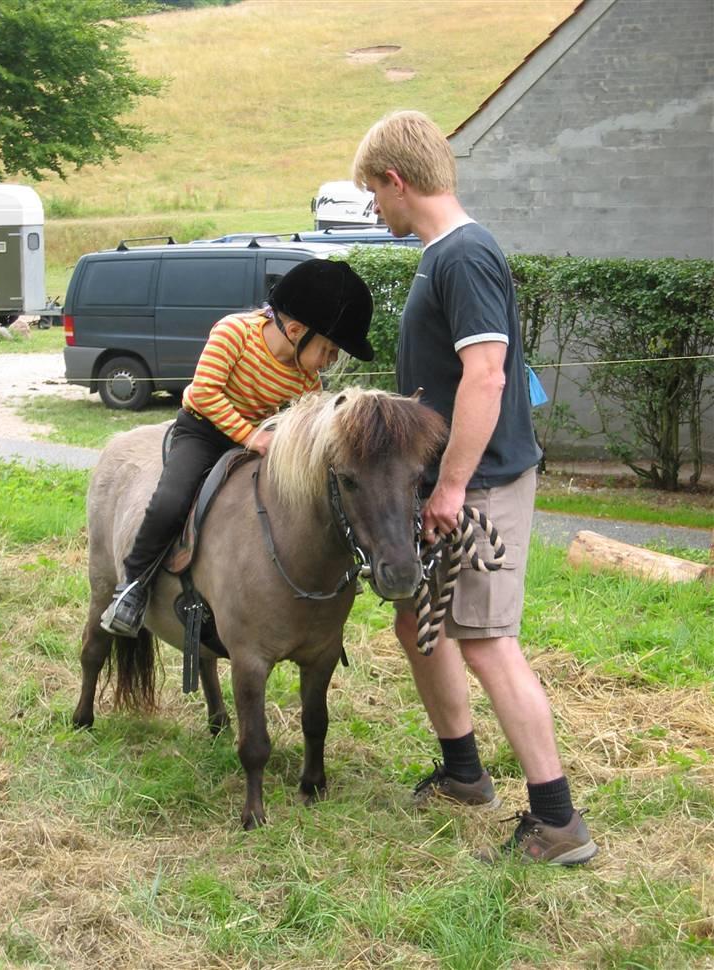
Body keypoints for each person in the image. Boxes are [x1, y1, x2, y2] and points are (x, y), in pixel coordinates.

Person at [352, 110, 598, 865]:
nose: (372, 208)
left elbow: (487, 376)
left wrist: (452, 487)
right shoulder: (440, 254)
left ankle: (557, 822)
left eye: (373, 193)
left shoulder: (465, 256)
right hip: (445, 484)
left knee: (488, 643)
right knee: (414, 624)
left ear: (398, 180)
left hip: (480, 486)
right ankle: (465, 773)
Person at [100, 258, 374, 638]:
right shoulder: (234, 333)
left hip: (262, 439)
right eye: (329, 350)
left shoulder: (307, 381)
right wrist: (251, 437)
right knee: (171, 499)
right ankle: (132, 586)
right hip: (203, 431)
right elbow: (205, 393)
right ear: (295, 330)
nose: (329, 362)